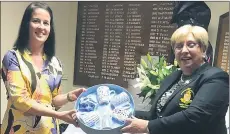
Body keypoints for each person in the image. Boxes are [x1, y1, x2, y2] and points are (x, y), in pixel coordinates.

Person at [121, 24, 229, 134]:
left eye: (191, 45)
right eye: (179, 46)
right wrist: (127, 116)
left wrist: (148, 126)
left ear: (204, 49)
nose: (184, 50)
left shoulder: (216, 78)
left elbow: (195, 116)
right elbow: (157, 114)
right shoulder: (173, 77)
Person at [1, 2, 85, 134]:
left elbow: (53, 101)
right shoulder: (13, 58)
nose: (41, 27)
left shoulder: (55, 63)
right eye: (36, 21)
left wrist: (69, 96)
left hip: (49, 130)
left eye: (46, 23)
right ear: (26, 24)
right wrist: (60, 116)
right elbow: (20, 101)